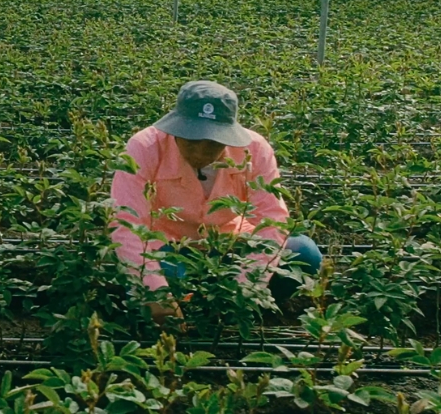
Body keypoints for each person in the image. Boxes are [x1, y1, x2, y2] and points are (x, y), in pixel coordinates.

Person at [110, 80, 321, 324]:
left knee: (303, 254)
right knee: (163, 276)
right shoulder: (145, 148)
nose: (200, 153)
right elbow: (126, 222)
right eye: (190, 142)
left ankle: (225, 307)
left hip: (229, 243)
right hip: (169, 248)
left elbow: (272, 220)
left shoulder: (255, 150)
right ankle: (179, 304)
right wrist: (156, 289)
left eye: (212, 145)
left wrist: (243, 288)